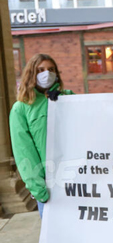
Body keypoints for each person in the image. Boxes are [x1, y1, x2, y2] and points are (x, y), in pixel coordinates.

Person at [10, 54, 74, 216]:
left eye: (51, 69)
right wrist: (38, 189)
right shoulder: (21, 108)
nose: (47, 73)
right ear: (31, 73)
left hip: (75, 178)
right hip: (49, 185)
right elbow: (24, 152)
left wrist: (65, 101)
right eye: (41, 70)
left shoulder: (67, 98)